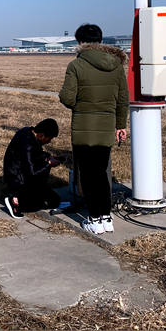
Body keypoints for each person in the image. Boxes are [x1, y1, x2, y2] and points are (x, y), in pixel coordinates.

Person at [59, 24, 129, 234]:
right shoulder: (116, 65)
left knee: (88, 176)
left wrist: (81, 106)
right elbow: (123, 99)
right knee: (101, 173)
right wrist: (120, 125)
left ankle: (94, 219)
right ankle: (106, 217)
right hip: (107, 127)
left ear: (80, 42)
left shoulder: (76, 65)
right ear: (100, 40)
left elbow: (67, 97)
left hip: (84, 128)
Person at [2, 118, 63, 218]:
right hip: (18, 180)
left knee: (55, 201)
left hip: (21, 173)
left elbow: (35, 155)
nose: (49, 141)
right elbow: (32, 173)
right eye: (49, 138)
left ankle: (23, 197)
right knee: (40, 204)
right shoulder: (28, 145)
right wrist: (49, 164)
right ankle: (16, 202)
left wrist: (47, 156)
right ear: (41, 135)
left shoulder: (28, 132)